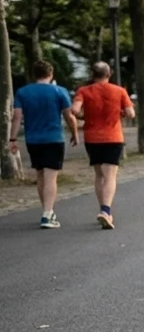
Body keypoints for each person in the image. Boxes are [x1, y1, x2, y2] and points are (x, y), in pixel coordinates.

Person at [8, 60, 77, 229]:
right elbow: (69, 116)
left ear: (34, 75)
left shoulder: (23, 92)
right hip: (54, 138)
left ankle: (46, 210)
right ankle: (47, 213)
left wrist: (13, 139)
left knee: (40, 174)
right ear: (51, 74)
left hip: (33, 139)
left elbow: (16, 117)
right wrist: (74, 133)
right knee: (51, 176)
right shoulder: (59, 91)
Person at [72, 62, 135, 229]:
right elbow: (131, 113)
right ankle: (106, 211)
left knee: (99, 175)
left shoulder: (83, 91)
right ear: (109, 74)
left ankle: (103, 209)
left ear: (92, 74)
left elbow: (75, 110)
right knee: (110, 176)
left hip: (92, 138)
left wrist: (86, 116)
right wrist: (120, 113)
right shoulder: (119, 91)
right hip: (113, 136)